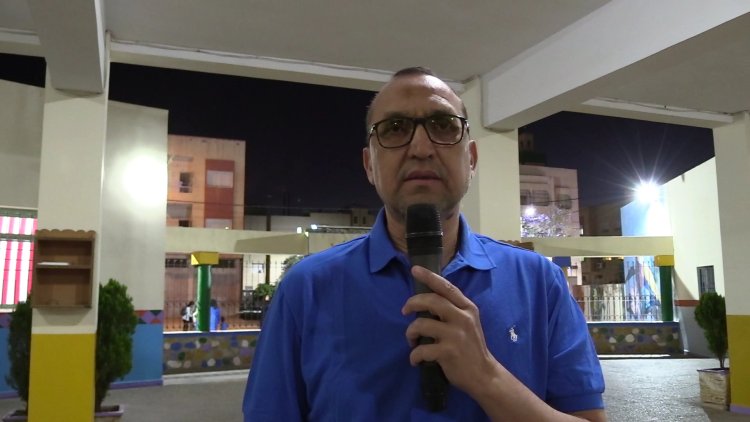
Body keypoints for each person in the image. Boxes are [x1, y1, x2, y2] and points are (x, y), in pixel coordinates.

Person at [242, 67, 606, 421]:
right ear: (369, 165)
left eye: (443, 125)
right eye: (395, 128)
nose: (421, 147)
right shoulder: (306, 289)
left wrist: (487, 377)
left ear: (471, 159)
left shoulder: (540, 283)